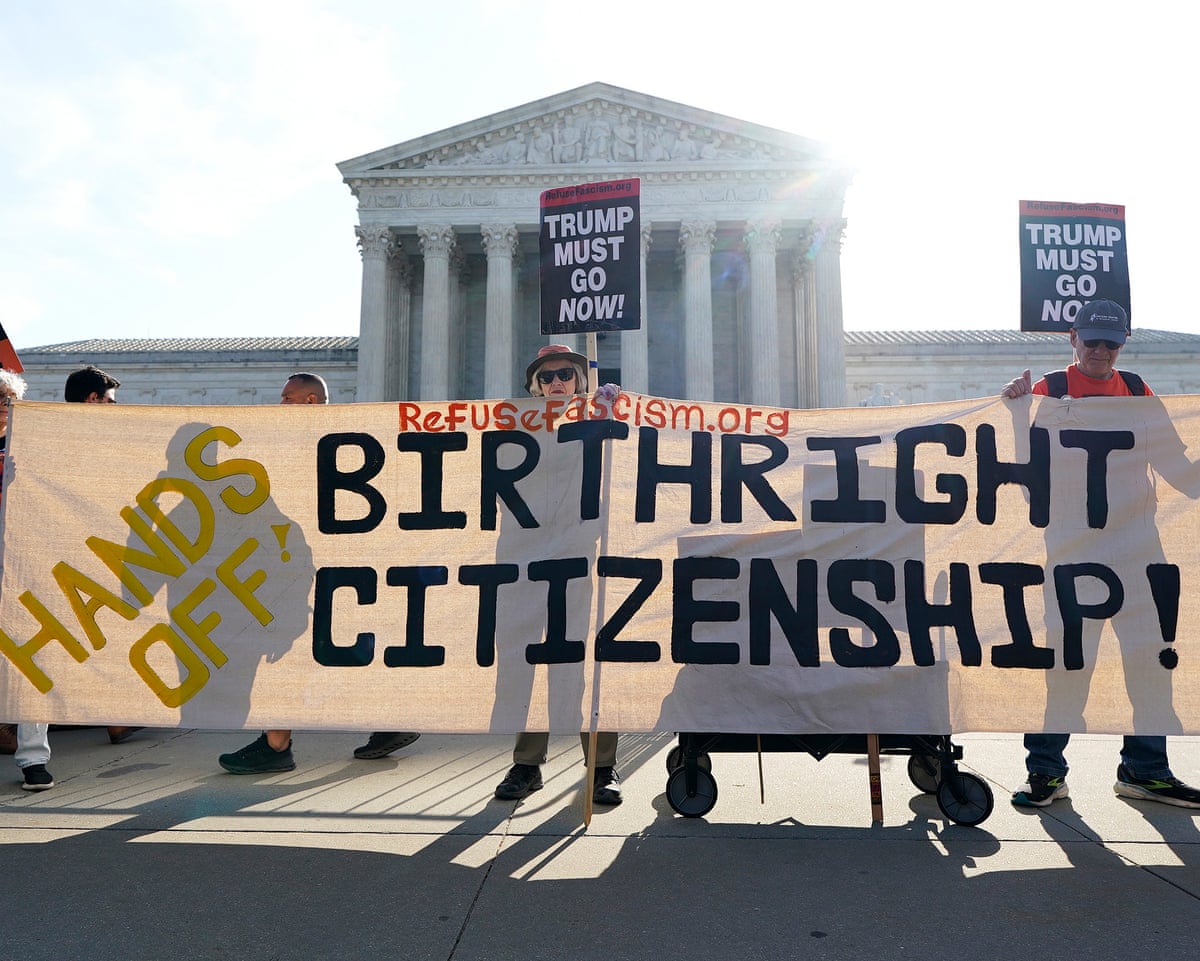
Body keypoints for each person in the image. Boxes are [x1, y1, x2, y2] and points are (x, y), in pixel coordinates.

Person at [1000, 300, 1200, 809]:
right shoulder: (1047, 392)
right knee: (1068, 662)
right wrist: (1017, 413)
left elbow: (1176, 465)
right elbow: (1026, 479)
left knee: (1151, 659)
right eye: (1092, 341)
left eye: (1112, 343)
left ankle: (1146, 769)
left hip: (1138, 548)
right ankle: (1045, 772)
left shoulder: (1137, 391)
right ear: (1073, 338)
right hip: (1074, 548)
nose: (1101, 351)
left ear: (1124, 344)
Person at [217, 372, 421, 774]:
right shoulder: (351, 436)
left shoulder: (311, 443)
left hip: (309, 567)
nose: (281, 405)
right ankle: (388, 720)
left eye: (287, 398)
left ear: (311, 402)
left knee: (286, 649)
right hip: (334, 565)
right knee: (333, 648)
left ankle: (277, 745)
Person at [492, 345, 623, 806]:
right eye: (546, 378)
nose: (556, 384)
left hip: (581, 555)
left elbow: (629, 467)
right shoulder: (511, 427)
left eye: (566, 374)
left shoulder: (601, 420)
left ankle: (602, 768)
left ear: (581, 380)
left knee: (589, 659)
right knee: (524, 661)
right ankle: (527, 764)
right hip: (522, 557)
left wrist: (614, 414)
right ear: (534, 387)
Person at [63, 365, 143, 746]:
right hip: (92, 555)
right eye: (111, 400)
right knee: (104, 630)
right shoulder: (91, 440)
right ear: (93, 398)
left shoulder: (53, 436)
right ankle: (116, 718)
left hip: (73, 554)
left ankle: (115, 716)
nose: (115, 407)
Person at [0, 369, 54, 789]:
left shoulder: (32, 448)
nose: (4, 407)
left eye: (7, 399)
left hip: (21, 571)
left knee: (31, 662)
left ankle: (33, 758)